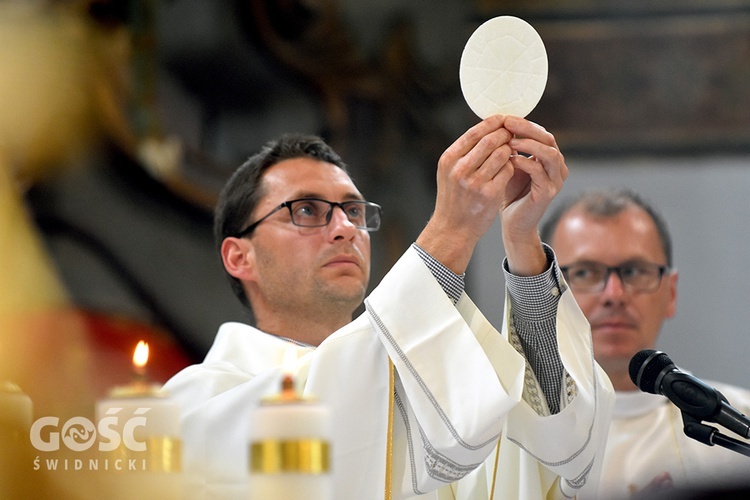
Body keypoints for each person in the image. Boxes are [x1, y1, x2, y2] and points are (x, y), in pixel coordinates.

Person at [164, 115, 613, 499]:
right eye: (305, 210)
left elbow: (554, 453)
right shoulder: (192, 409)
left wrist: (522, 245)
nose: (343, 228)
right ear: (239, 257)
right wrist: (451, 233)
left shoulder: (443, 389)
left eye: (354, 211)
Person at [540, 188, 750, 499]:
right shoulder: (507, 438)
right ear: (546, 294)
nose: (614, 294)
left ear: (672, 292)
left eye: (634, 271)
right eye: (585, 272)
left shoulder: (738, 420)